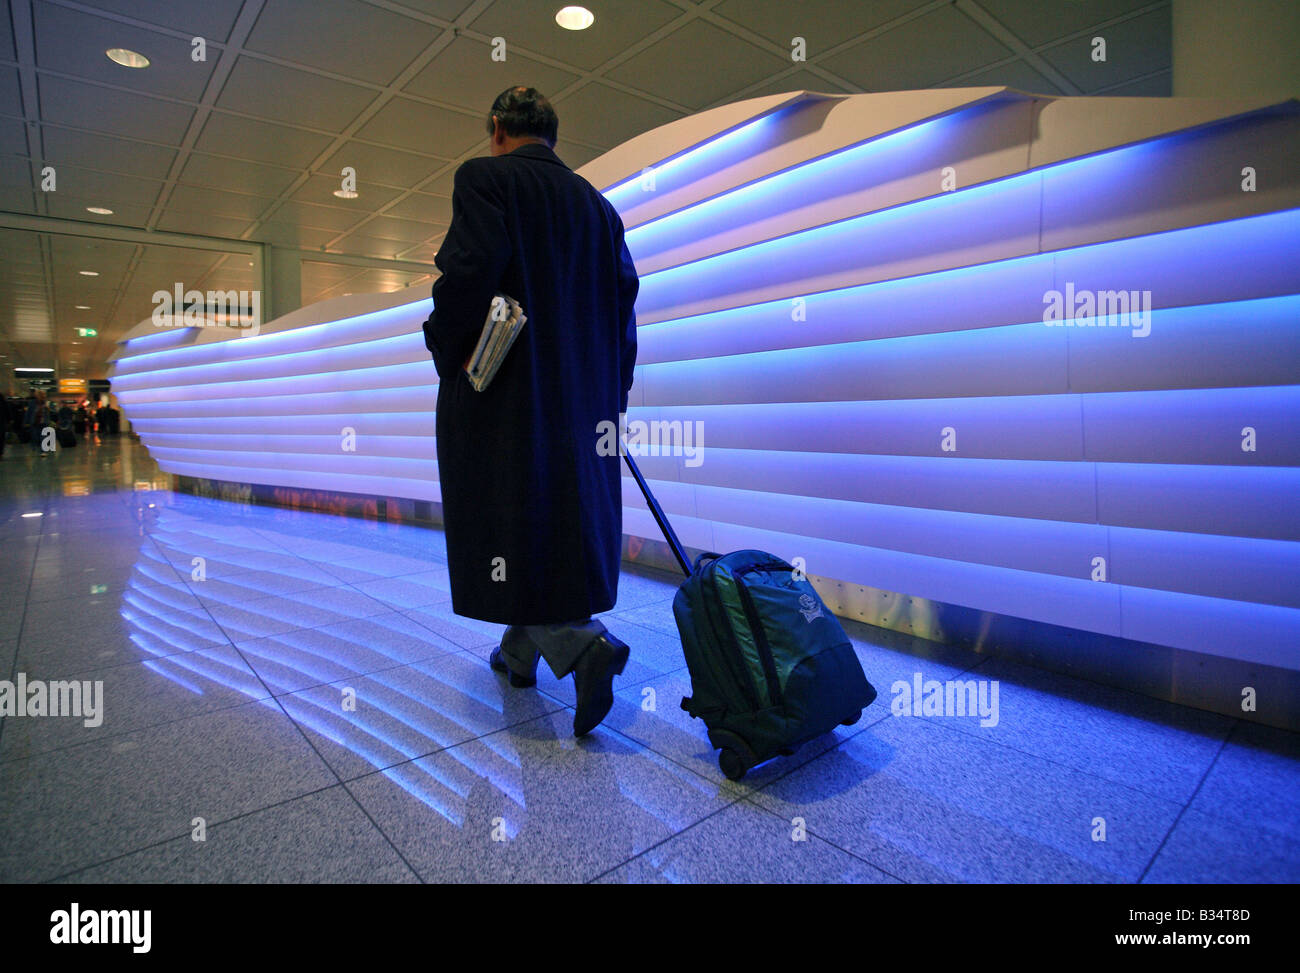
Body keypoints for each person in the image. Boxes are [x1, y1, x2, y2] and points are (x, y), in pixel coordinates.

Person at [423, 86, 640, 737]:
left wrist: (445, 346)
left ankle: (580, 644)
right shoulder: (600, 209)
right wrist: (613, 392)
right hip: (584, 399)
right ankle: (519, 652)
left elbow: (468, 276)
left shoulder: (485, 179)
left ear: (497, 129)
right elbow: (624, 310)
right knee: (553, 525)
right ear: (552, 134)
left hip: (510, 393)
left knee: (507, 519)